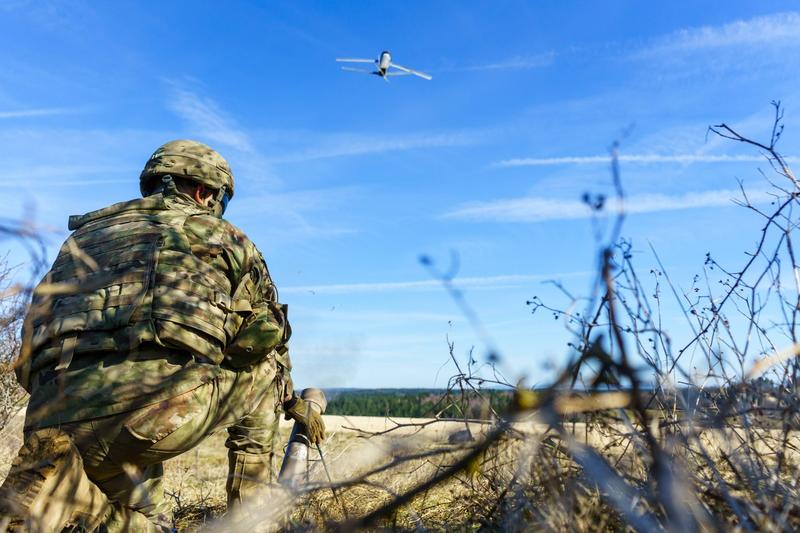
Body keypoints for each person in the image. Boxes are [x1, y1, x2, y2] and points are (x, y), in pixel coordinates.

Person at [0, 140, 325, 531]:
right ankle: (252, 520)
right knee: (267, 369)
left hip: (51, 419)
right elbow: (263, 334)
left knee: (144, 520)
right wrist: (292, 401)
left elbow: (29, 344)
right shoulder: (224, 237)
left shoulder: (78, 241)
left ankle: (71, 503)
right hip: (148, 420)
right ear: (206, 192)